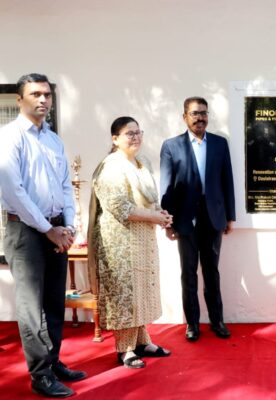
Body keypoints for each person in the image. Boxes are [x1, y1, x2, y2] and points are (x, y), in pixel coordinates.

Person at [0, 73, 86, 398]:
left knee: (54, 300)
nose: (43, 100)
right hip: (26, 232)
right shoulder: (9, 137)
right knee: (31, 306)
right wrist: (48, 230)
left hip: (55, 230)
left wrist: (68, 225)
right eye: (35, 94)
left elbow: (65, 186)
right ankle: (40, 375)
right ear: (19, 100)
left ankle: (53, 361)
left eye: (47, 95)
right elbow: (14, 191)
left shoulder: (53, 139)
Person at [88, 116, 173, 369]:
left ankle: (142, 341)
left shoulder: (142, 162)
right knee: (126, 294)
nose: (136, 137)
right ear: (115, 139)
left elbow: (149, 199)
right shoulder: (110, 166)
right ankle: (124, 349)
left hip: (143, 237)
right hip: (120, 241)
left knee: (142, 289)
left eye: (138, 132)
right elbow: (120, 207)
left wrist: (161, 213)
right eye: (129, 133)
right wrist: (156, 217)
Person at [160, 97, 236, 341]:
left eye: (203, 113)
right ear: (185, 116)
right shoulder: (171, 146)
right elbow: (166, 186)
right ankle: (192, 324)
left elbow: (227, 182)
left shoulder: (220, 144)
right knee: (188, 273)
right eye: (194, 113)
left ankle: (217, 321)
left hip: (214, 217)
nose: (200, 117)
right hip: (185, 219)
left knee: (212, 272)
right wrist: (168, 221)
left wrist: (230, 217)